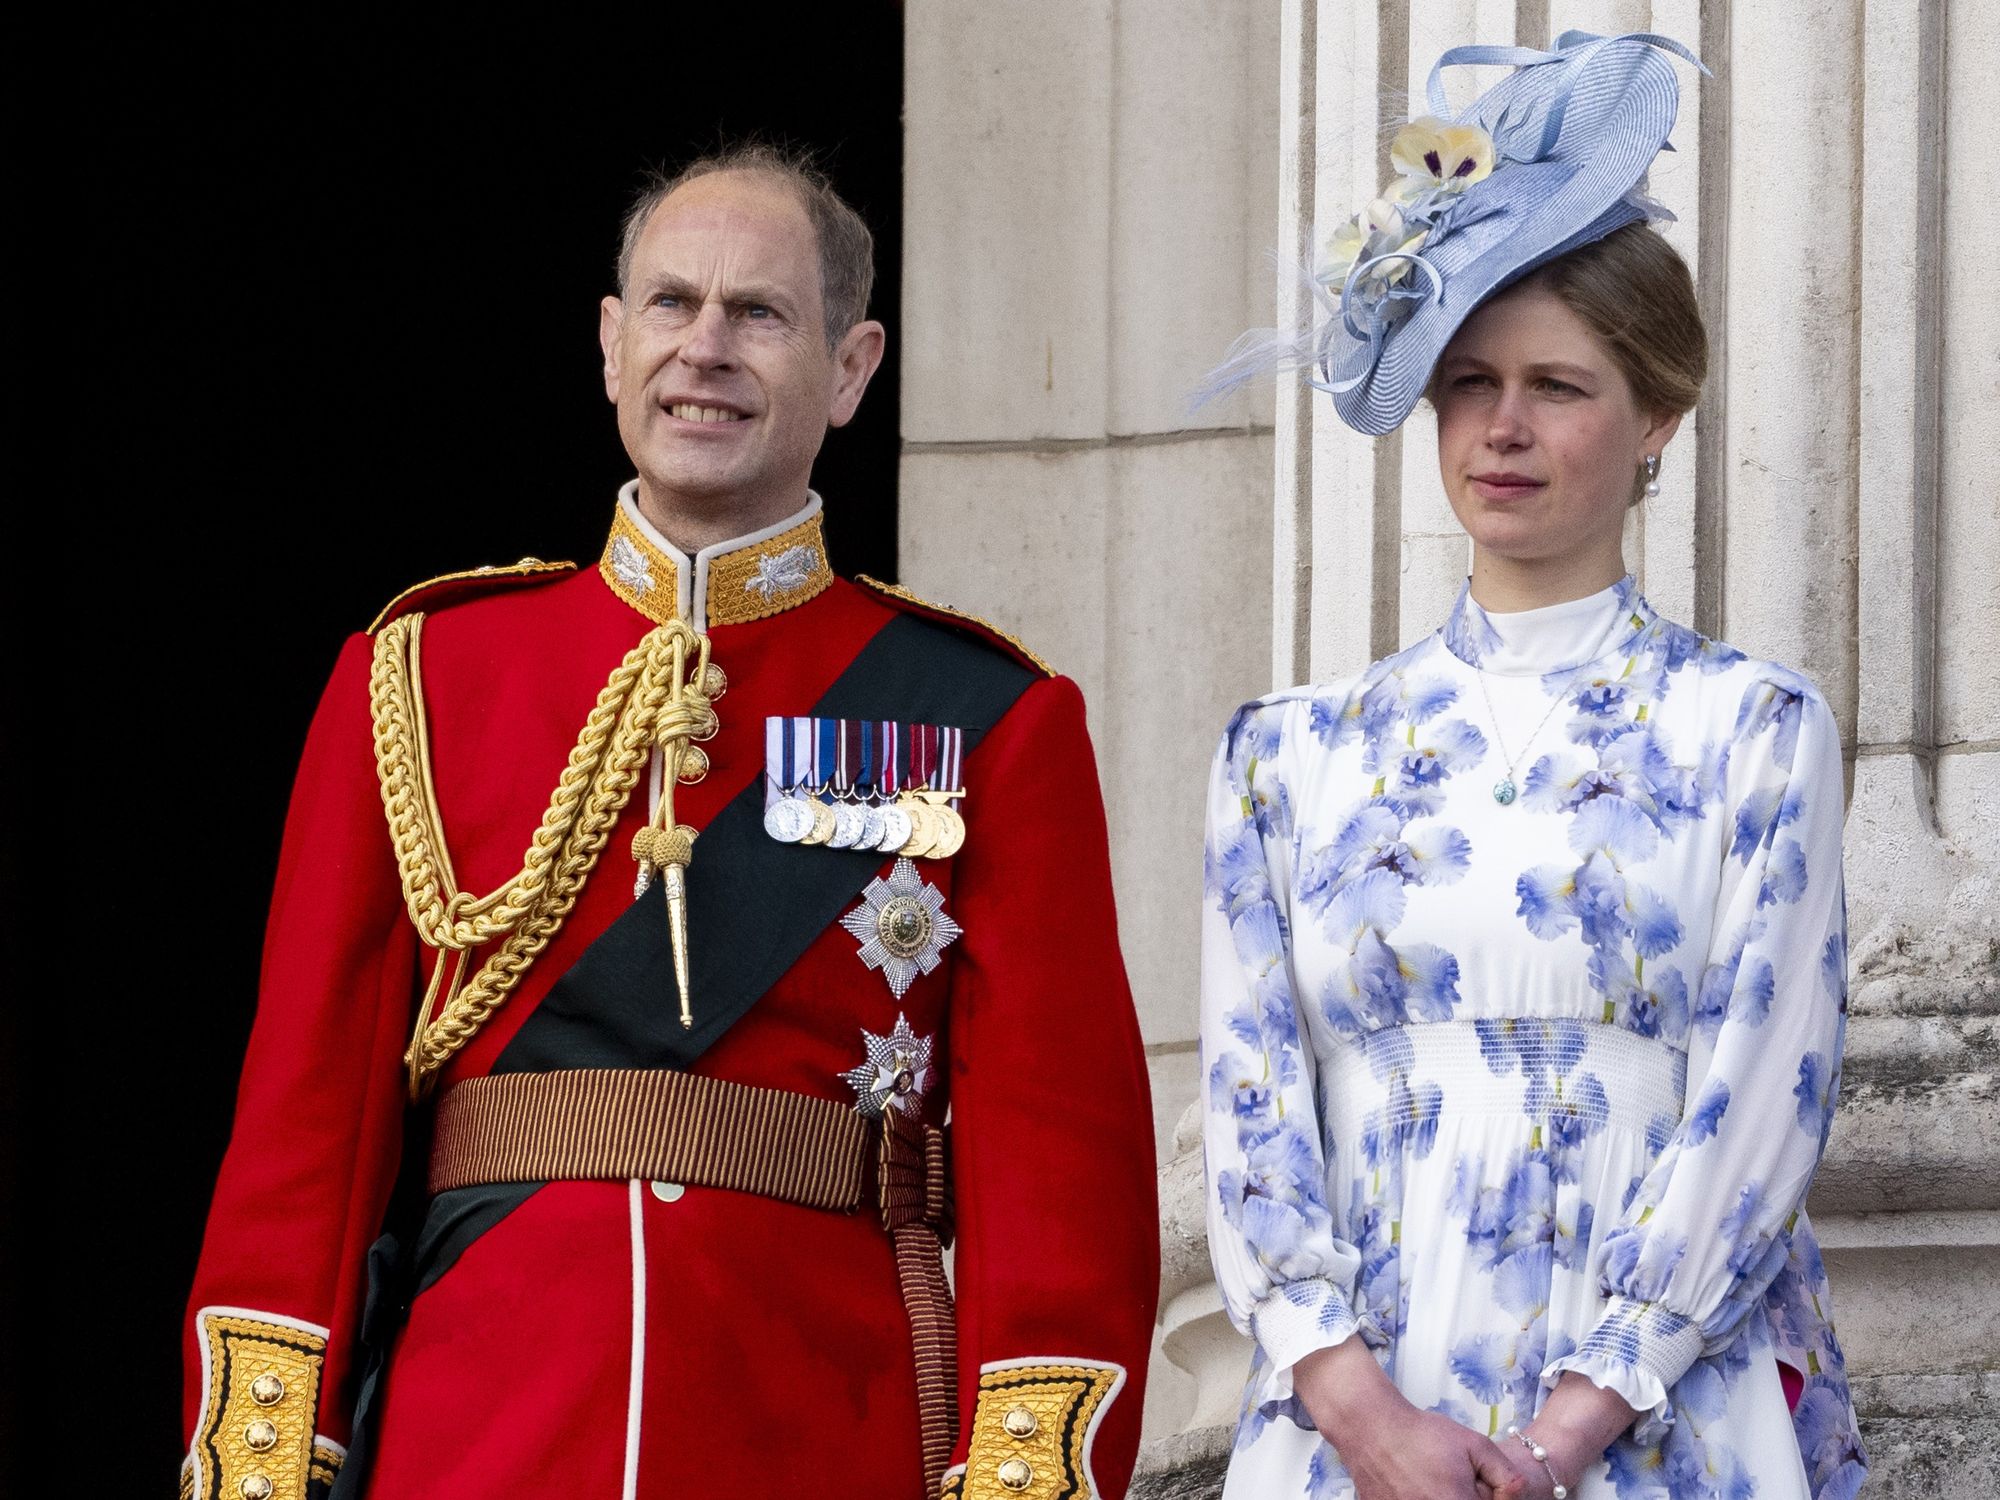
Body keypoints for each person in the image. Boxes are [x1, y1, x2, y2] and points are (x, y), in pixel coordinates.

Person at [181, 144, 1158, 1500]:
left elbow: (1060, 1168)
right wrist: (264, 1468)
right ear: (608, 343)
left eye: (759, 314)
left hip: (828, 1420)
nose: (705, 348)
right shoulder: (420, 675)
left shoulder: (983, 715)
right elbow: (305, 1133)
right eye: (670, 305)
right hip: (486, 1426)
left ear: (853, 367)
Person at [1199, 33, 1867, 1500]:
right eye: (1469, 382)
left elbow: (1767, 1092)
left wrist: (1576, 1425)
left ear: (1657, 424)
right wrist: (1365, 1420)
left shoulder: (1751, 729)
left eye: (1558, 385)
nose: (1502, 427)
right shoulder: (1291, 753)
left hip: (1656, 1414)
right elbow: (1251, 1108)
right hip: (1349, 1432)